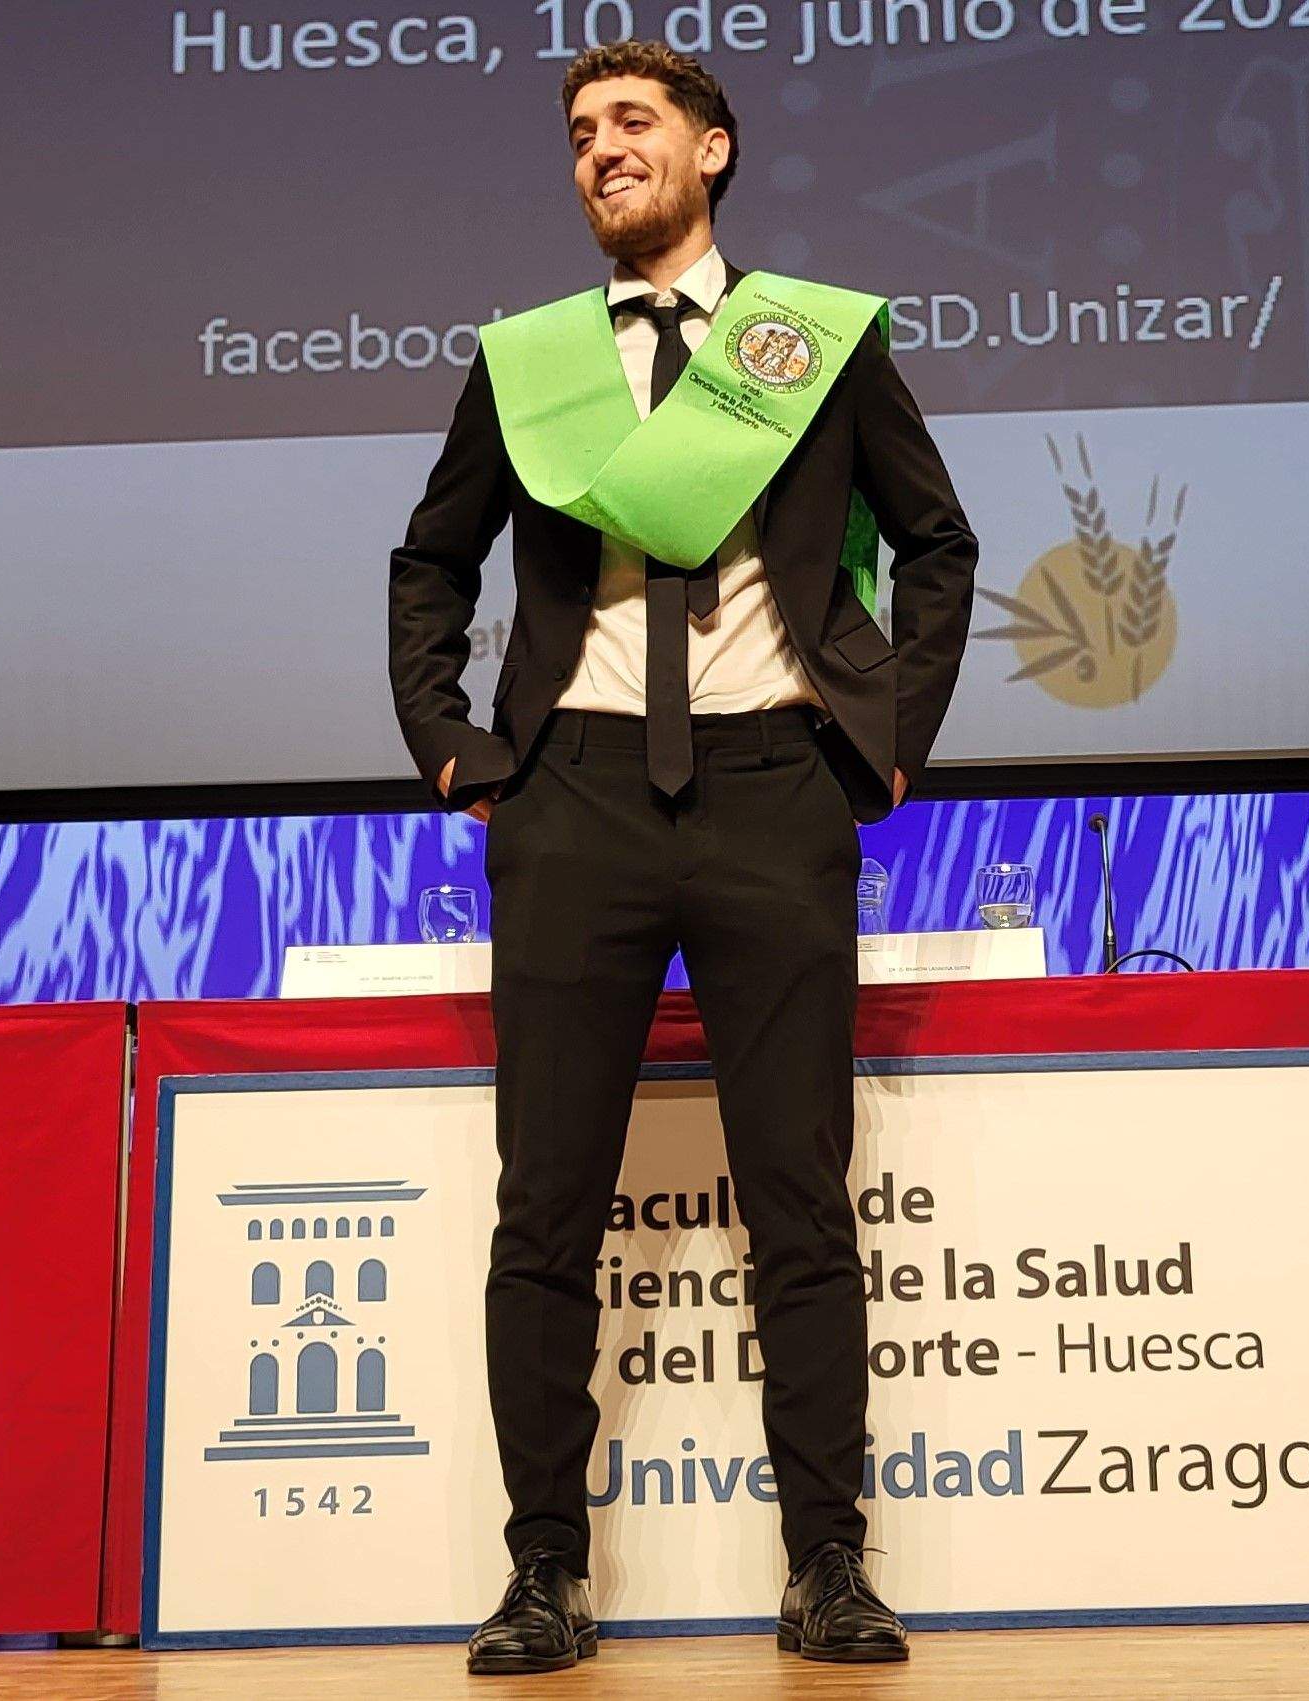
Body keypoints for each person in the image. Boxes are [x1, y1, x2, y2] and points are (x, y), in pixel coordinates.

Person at [386, 40, 977, 1676]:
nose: (598, 154)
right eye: (578, 135)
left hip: (772, 788)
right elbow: (429, 563)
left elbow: (938, 544)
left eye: (630, 125)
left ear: (711, 149)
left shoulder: (811, 343)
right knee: (544, 1212)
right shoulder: (529, 363)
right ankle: (542, 1577)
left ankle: (829, 1568)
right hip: (571, 800)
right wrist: (458, 743)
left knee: (798, 1202)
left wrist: (881, 729)